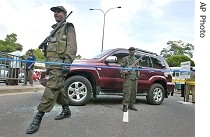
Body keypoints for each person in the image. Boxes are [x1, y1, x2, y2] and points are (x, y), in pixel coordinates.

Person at [26, 6, 77, 134]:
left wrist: (67, 62)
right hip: (51, 65)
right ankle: (66, 110)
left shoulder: (68, 27)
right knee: (58, 88)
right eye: (55, 12)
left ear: (65, 14)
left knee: (51, 89)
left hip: (59, 66)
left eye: (58, 12)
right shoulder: (54, 30)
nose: (56, 14)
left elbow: (72, 46)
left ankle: (38, 118)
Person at [120, 47, 141, 112]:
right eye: (130, 50)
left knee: (134, 93)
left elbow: (139, 69)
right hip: (128, 78)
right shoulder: (125, 59)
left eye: (133, 50)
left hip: (135, 78)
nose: (131, 51)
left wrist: (138, 68)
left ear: (134, 51)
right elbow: (121, 67)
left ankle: (131, 105)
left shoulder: (136, 59)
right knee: (127, 92)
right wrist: (124, 72)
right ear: (129, 51)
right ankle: (125, 105)